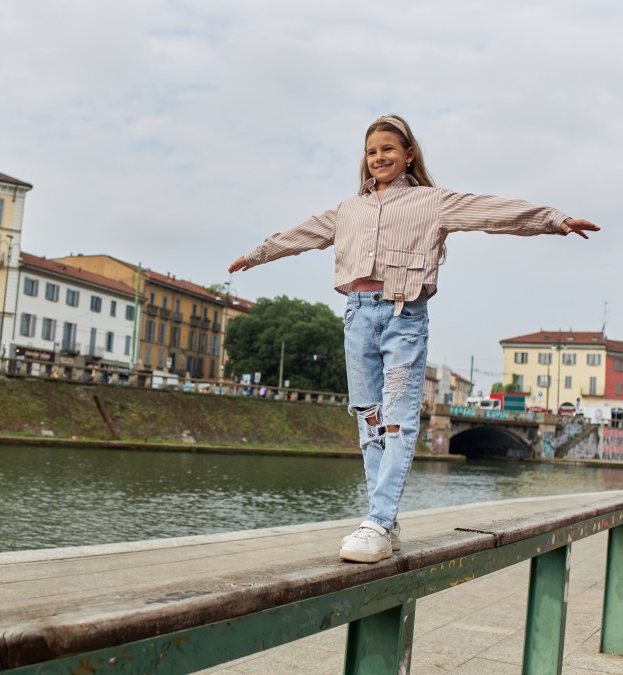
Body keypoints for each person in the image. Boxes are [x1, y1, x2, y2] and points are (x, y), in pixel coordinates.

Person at [228, 115, 598, 563]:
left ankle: (379, 523)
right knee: (368, 420)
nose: (378, 157)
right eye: (371, 151)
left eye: (388, 149)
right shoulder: (348, 210)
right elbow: (300, 234)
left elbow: (490, 211)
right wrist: (256, 255)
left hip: (404, 316)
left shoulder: (431, 202)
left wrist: (552, 220)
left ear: (408, 155)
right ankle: (385, 519)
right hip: (357, 317)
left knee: (398, 420)